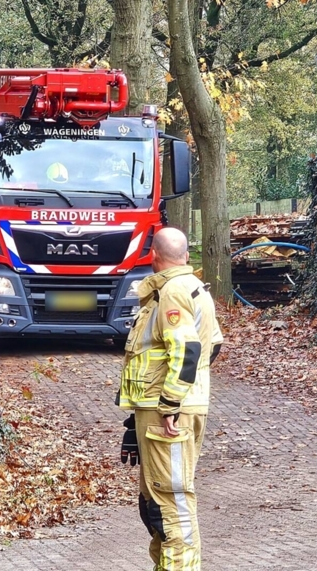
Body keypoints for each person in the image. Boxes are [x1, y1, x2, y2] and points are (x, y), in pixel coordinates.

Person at [117, 227, 223, 571]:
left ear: (152, 256)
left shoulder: (173, 290)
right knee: (155, 503)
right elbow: (213, 346)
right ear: (186, 256)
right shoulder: (192, 288)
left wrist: (171, 403)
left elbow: (188, 349)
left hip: (167, 414)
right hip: (159, 410)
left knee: (170, 501)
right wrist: (136, 422)